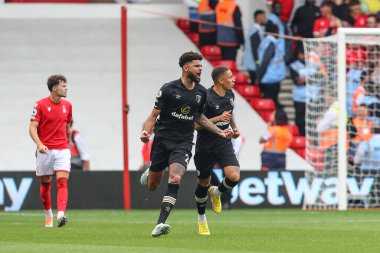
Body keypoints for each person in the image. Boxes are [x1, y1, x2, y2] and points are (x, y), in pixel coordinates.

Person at [139, 52, 232, 237]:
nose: (200, 70)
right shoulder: (168, 89)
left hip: (184, 142)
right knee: (152, 186)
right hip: (162, 141)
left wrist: (219, 131)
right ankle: (152, 170)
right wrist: (146, 132)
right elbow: (153, 115)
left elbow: (199, 117)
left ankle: (160, 224)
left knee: (175, 178)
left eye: (201, 66)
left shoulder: (201, 92)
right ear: (186, 68)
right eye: (197, 66)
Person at [194, 66, 241, 235]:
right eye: (230, 77)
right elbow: (196, 125)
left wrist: (234, 128)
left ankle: (217, 191)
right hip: (205, 145)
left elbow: (230, 113)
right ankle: (202, 220)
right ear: (221, 80)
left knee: (234, 176)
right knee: (203, 183)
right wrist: (218, 119)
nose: (233, 79)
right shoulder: (205, 97)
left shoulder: (230, 94)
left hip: (223, 142)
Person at [29, 74, 72, 228]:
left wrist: (69, 142)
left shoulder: (68, 105)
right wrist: (39, 144)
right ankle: (48, 215)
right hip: (45, 150)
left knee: (62, 182)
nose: (66, 88)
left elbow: (67, 125)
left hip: (62, 149)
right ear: (54, 88)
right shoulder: (39, 105)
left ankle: (61, 214)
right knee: (46, 184)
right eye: (63, 86)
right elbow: (32, 128)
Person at [257, 21, 286, 108]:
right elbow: (265, 61)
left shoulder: (265, 42)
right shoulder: (271, 44)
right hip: (271, 78)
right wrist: (260, 76)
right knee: (270, 103)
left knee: (273, 101)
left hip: (271, 77)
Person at [243, 9, 267, 84]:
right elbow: (255, 48)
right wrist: (257, 62)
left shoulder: (255, 29)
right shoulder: (255, 31)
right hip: (253, 62)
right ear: (259, 17)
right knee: (255, 83)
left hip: (251, 62)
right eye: (264, 17)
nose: (265, 19)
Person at [289, 45, 307, 136]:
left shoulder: (314, 64)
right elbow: (297, 81)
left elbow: (320, 77)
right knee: (299, 119)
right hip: (299, 97)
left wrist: (305, 79)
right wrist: (309, 79)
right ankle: (300, 135)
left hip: (312, 97)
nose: (304, 56)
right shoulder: (294, 65)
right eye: (302, 54)